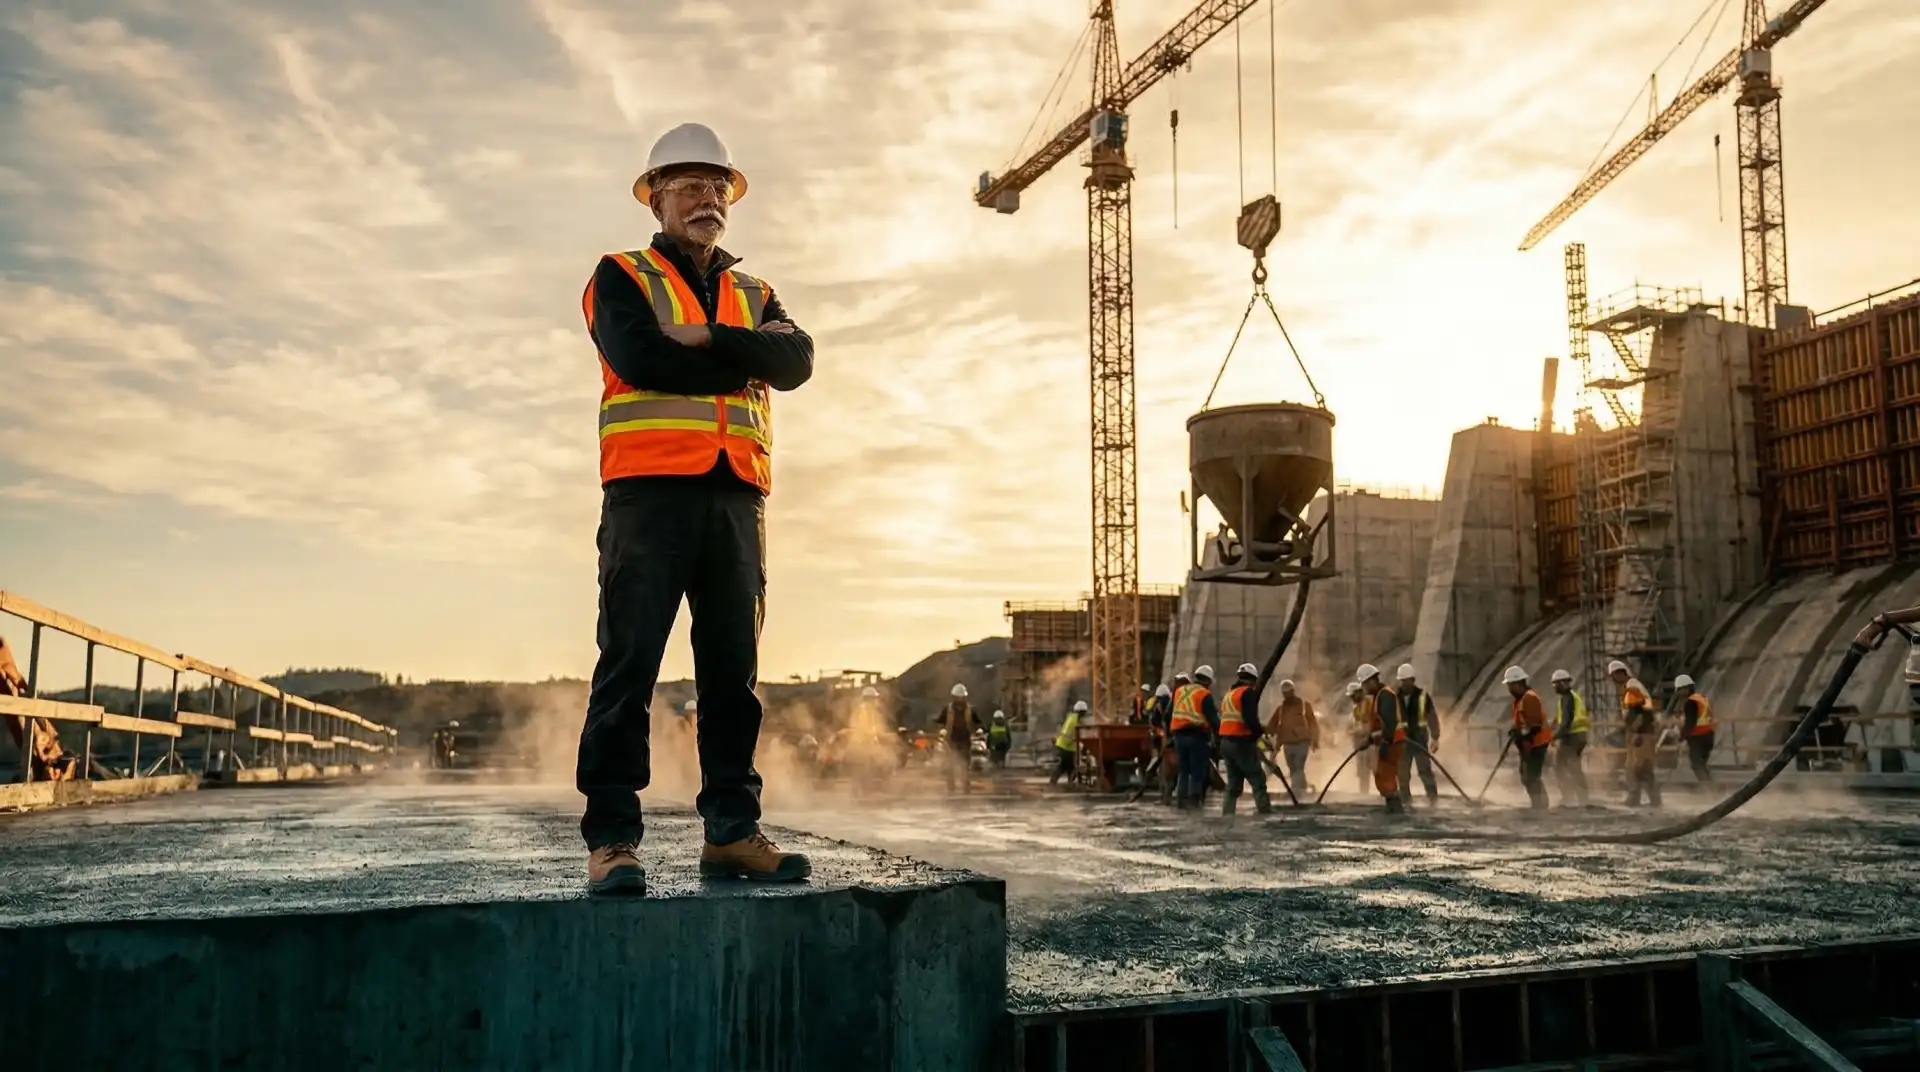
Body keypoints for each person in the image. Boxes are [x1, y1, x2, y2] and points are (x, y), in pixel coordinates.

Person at [576, 122, 815, 895]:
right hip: (648, 493)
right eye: (689, 186)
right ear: (656, 199)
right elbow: (639, 356)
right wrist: (745, 357)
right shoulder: (620, 276)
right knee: (629, 666)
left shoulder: (754, 291)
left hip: (736, 498)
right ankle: (612, 840)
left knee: (732, 676)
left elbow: (799, 362)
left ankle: (732, 832)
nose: (707, 199)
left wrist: (707, 335)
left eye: (718, 187)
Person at [1217, 664, 1271, 815]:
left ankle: (1227, 814)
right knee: (1257, 779)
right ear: (1253, 679)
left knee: (1233, 785)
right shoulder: (1247, 693)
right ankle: (1264, 811)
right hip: (1241, 741)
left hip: (1226, 743)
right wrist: (1258, 733)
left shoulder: (1229, 694)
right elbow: (1250, 719)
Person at [1610, 660, 1662, 807]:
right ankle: (1650, 799)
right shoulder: (1632, 686)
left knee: (1636, 767)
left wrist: (1636, 731)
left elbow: (1637, 710)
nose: (1613, 679)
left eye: (1614, 675)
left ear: (1621, 673)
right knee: (1640, 767)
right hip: (1643, 731)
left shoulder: (1632, 687)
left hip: (1641, 732)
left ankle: (1636, 798)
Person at [1169, 667, 1220, 809]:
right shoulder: (1204, 694)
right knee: (1197, 770)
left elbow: (1169, 713)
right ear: (1208, 681)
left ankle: (1180, 800)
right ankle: (1194, 801)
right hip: (1197, 736)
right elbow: (1214, 720)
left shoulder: (1180, 691)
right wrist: (1220, 733)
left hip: (1179, 736)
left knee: (1184, 769)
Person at [1357, 664, 1406, 814]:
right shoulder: (1380, 696)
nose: (1364, 688)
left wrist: (1381, 741)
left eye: (1365, 684)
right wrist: (1371, 739)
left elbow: (1389, 724)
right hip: (1389, 742)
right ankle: (1393, 809)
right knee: (1382, 777)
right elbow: (1380, 725)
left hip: (1392, 743)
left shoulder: (1385, 695)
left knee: (1387, 778)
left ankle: (1396, 813)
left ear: (1372, 681)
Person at [1503, 666, 1552, 810]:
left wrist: (1521, 735)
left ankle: (1540, 805)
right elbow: (1523, 720)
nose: (1509, 689)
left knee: (1531, 776)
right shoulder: (1521, 699)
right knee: (1526, 775)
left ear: (1518, 683)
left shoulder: (1529, 698)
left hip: (1536, 743)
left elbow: (1535, 725)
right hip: (1529, 743)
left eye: (1510, 685)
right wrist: (1515, 729)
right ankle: (1538, 804)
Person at [1393, 663, 1441, 807]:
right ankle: (1406, 801)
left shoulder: (1422, 696)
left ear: (1413, 680)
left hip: (1419, 741)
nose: (1404, 684)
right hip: (1402, 743)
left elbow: (1432, 717)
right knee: (1402, 775)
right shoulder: (1394, 697)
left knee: (1425, 771)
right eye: (1402, 681)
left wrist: (1435, 737)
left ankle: (1433, 800)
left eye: (1406, 680)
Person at [1267, 678, 1319, 794]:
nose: (1286, 695)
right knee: (1293, 770)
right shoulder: (1280, 710)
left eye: (1288, 692)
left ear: (1293, 691)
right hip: (1287, 745)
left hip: (1302, 743)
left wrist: (1315, 740)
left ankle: (1296, 792)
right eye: (1284, 693)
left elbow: (1313, 724)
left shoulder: (1305, 706)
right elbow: (1272, 727)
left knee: (1298, 767)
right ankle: (1304, 790)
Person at [1549, 669, 1591, 807]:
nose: (1554, 687)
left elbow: (1566, 721)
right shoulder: (1570, 697)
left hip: (1572, 737)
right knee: (1573, 767)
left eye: (1555, 684)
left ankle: (1569, 798)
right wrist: (1553, 725)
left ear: (1562, 683)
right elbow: (1561, 718)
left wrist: (1554, 736)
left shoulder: (1568, 698)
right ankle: (1581, 798)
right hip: (1578, 736)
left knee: (1559, 766)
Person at [1674, 673, 1715, 783]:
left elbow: (1690, 722)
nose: (1678, 693)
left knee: (1696, 764)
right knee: (1702, 764)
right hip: (1709, 735)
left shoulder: (1690, 702)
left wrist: (1681, 738)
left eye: (1679, 690)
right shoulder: (1701, 698)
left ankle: (1710, 788)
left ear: (1684, 689)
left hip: (1698, 737)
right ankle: (1712, 786)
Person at [939, 684, 977, 794]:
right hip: (951, 740)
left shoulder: (970, 709)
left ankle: (966, 786)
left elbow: (977, 722)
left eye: (962, 698)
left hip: (965, 740)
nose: (960, 700)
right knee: (950, 764)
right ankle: (951, 786)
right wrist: (941, 730)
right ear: (954, 697)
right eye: (958, 697)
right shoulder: (947, 709)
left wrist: (979, 729)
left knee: (965, 765)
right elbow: (941, 722)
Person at [1344, 681, 1375, 794]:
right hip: (1360, 745)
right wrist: (1352, 731)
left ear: (1359, 692)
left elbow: (1371, 724)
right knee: (1363, 774)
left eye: (1353, 695)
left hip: (1371, 743)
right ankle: (1364, 794)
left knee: (1377, 771)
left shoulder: (1370, 703)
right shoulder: (1356, 709)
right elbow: (1353, 725)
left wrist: (1360, 731)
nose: (1352, 698)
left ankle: (1386, 794)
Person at [1048, 700, 1085, 786]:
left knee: (1067, 767)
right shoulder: (1074, 719)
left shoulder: (1072, 717)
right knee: (1067, 767)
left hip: (1066, 746)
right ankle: (1059, 782)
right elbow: (1069, 734)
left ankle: (1066, 782)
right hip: (1066, 747)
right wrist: (1075, 740)